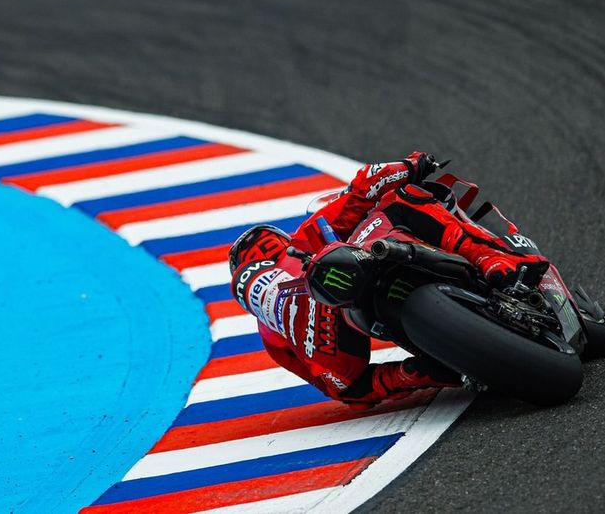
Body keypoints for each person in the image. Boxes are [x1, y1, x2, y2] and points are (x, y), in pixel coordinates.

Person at [227, 152, 548, 407]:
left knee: (351, 386)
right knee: (402, 200)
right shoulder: (306, 237)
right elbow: (366, 184)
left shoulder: (270, 336)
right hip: (358, 273)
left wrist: (405, 375)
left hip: (336, 349)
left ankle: (422, 373)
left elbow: (338, 389)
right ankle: (493, 260)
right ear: (279, 243)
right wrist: (414, 164)